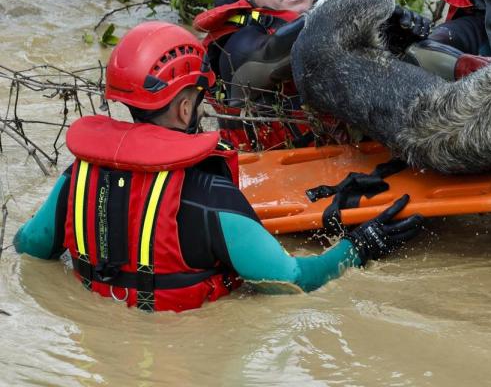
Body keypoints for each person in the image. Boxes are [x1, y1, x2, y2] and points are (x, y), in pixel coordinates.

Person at [14, 22, 423, 312]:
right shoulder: (210, 197)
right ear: (186, 105)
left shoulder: (77, 179)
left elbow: (28, 248)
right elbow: (294, 282)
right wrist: (361, 247)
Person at [192, 0, 431, 150]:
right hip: (277, 169)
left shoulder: (329, 10)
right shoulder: (236, 45)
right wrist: (336, 2)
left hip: (343, 155)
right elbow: (280, 52)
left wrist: (393, 41)